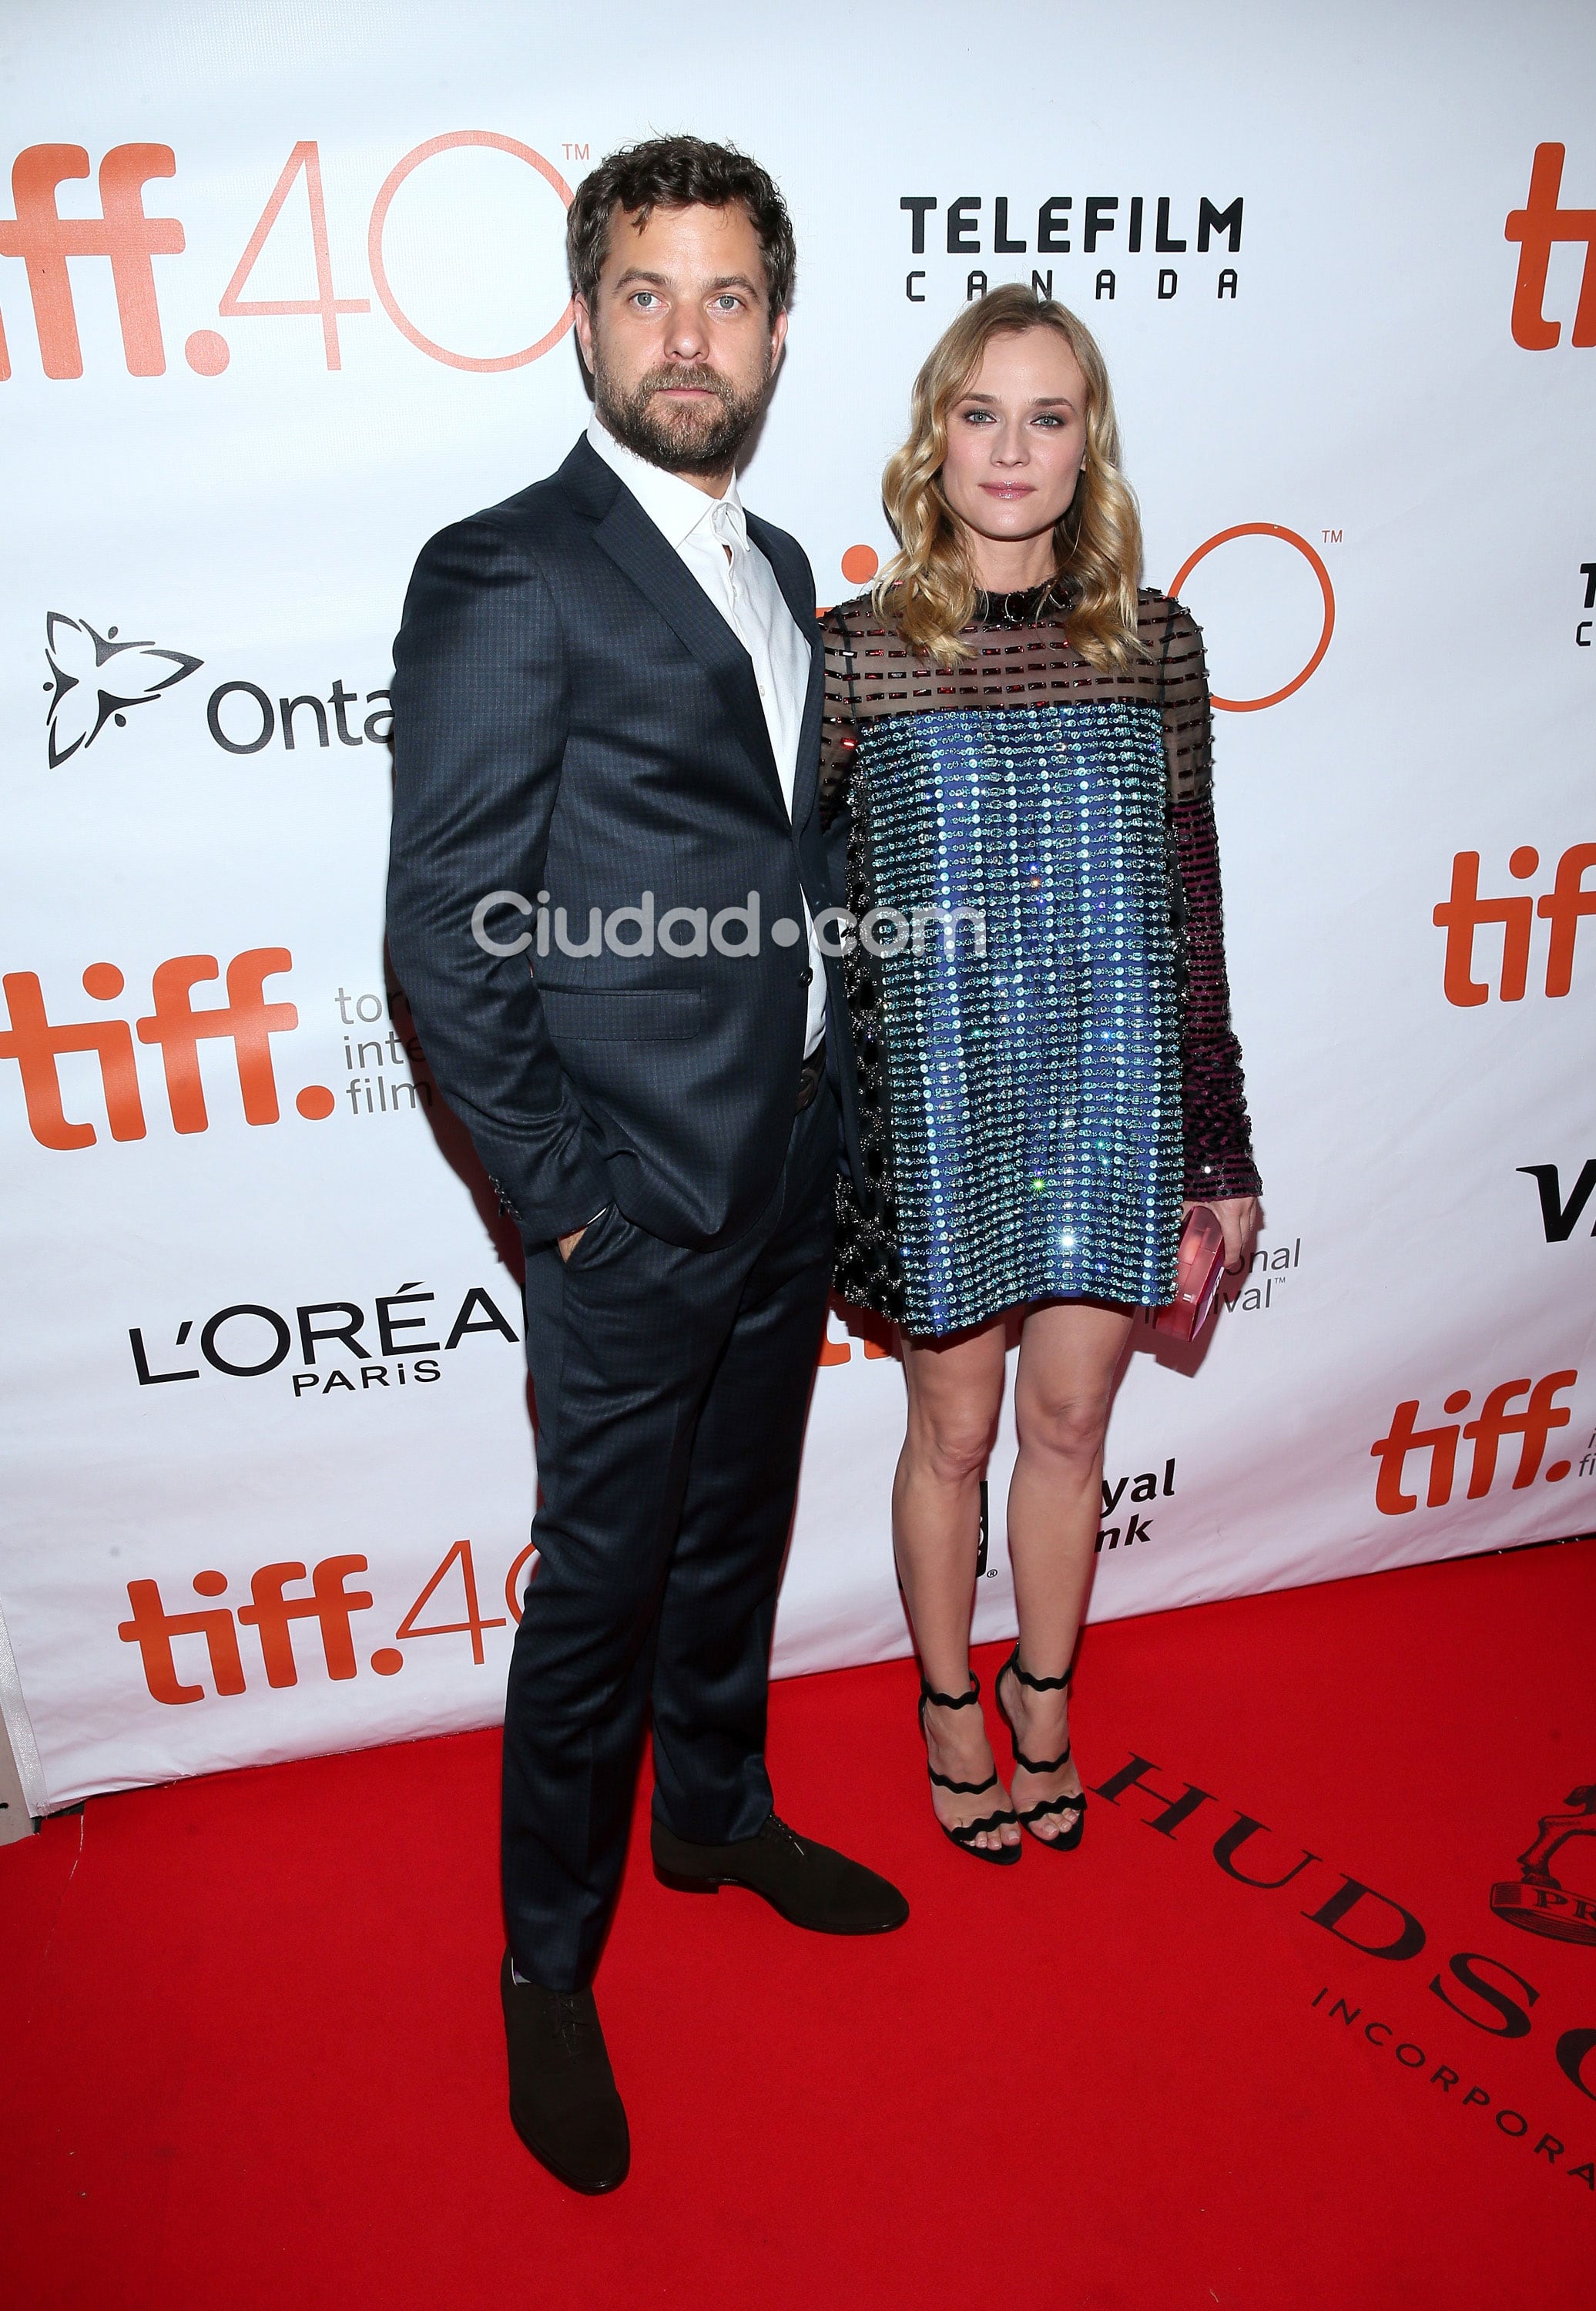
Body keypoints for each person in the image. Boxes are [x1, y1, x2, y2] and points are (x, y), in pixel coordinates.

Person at [387, 134, 906, 2198]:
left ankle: (714, 1813)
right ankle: (543, 1963)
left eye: (726, 299)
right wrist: (566, 1202)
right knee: (596, 1591)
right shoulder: (505, 571)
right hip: (630, 1210)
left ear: (777, 327)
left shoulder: (778, 570)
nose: (687, 340)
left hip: (784, 1171)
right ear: (584, 315)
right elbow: (448, 939)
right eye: (645, 294)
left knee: (735, 1533)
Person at [821, 284, 1261, 1864]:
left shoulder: (1155, 644)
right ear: (935, 440)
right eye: (980, 412)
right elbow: (813, 931)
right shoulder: (854, 660)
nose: (1013, 447)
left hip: (1115, 1096)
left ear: (1090, 450)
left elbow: (1189, 903)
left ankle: (1047, 1695)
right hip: (940, 1120)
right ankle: (947, 1702)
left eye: (1049, 415)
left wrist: (1217, 1142)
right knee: (951, 1436)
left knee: (1069, 1431)